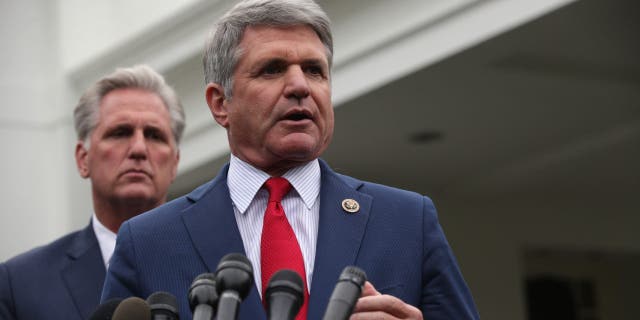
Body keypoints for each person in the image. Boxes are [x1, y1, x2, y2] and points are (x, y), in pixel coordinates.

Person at [102, 1, 479, 319]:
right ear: (221, 103)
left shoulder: (408, 222)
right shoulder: (147, 242)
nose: (300, 86)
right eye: (273, 69)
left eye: (314, 70)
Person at [0, 65, 185, 320]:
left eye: (154, 135)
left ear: (174, 163)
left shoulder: (217, 266)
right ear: (83, 158)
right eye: (120, 132)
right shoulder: (19, 286)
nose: (139, 149)